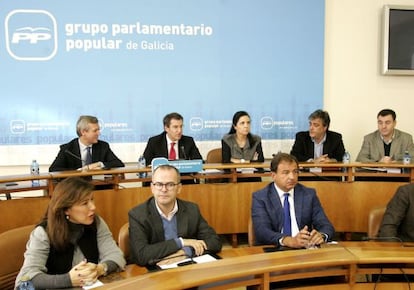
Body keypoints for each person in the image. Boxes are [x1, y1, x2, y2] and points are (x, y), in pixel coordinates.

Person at [15, 177, 126, 289]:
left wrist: (100, 269)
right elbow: (27, 278)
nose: (93, 207)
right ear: (66, 209)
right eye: (85, 203)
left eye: (92, 199)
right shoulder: (43, 233)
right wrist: (69, 279)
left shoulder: (96, 223)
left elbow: (116, 255)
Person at [128, 164, 222, 266]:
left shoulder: (191, 210)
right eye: (159, 184)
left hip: (186, 268)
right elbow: (141, 255)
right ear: (152, 188)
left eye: (170, 184)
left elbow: (214, 242)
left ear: (179, 188)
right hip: (154, 274)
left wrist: (184, 252)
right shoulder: (138, 215)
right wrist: (180, 242)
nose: (164, 190)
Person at [251, 153, 334, 248]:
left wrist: (321, 235)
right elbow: (262, 231)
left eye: (295, 172)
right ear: (273, 175)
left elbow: (326, 225)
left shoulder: (308, 194)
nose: (292, 177)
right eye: (286, 172)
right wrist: (288, 240)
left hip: (304, 249)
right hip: (275, 248)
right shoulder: (261, 197)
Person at [49, 115, 124, 172]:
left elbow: (118, 164)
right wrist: (79, 171)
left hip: (100, 187)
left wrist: (99, 164)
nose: (99, 133)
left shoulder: (103, 146)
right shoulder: (67, 149)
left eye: (98, 130)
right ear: (83, 132)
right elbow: (54, 169)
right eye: (95, 131)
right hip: (77, 188)